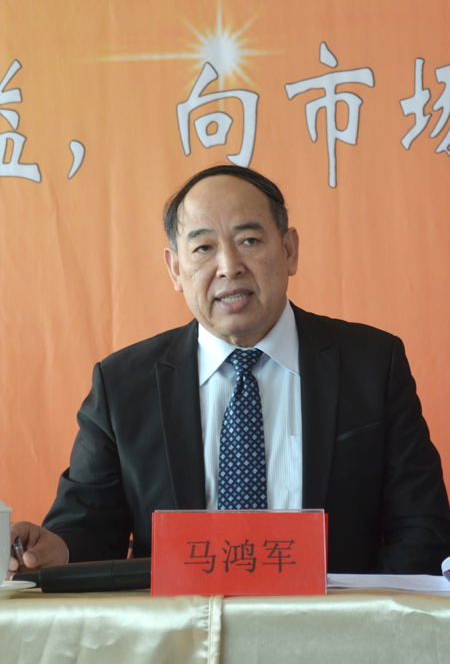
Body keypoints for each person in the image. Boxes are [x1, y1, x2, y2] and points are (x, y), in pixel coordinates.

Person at [9, 164, 450, 576]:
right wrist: (55, 551)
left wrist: (361, 621)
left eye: (249, 241)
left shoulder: (372, 363)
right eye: (203, 248)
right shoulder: (123, 385)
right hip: (180, 631)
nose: (228, 267)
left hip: (335, 626)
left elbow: (421, 526)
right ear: (176, 269)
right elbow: (87, 528)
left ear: (289, 250)